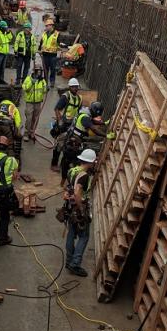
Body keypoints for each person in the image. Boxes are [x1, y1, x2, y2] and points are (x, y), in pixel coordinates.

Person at [62, 149, 96, 277]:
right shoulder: (84, 175)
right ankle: (75, 264)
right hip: (78, 209)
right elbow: (77, 192)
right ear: (90, 162)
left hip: (69, 208)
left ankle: (69, 261)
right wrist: (81, 208)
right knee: (84, 236)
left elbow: (67, 187)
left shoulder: (72, 170)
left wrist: (66, 195)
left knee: (71, 233)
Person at [59, 101, 109, 183]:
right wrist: (106, 135)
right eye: (96, 114)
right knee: (70, 163)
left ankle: (64, 181)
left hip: (72, 140)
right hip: (72, 144)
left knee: (67, 161)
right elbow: (94, 129)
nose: (97, 116)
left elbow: (92, 121)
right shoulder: (85, 117)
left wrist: (103, 123)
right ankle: (66, 182)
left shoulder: (84, 113)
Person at [50, 78, 83, 169]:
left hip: (72, 125)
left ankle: (63, 164)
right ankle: (54, 164)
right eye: (73, 87)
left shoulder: (79, 98)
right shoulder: (65, 97)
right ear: (69, 87)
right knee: (59, 144)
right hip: (63, 124)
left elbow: (79, 112)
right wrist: (59, 121)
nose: (75, 88)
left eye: (76, 87)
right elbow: (57, 109)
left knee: (69, 144)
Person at [21, 70, 47, 141]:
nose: (39, 73)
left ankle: (32, 132)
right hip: (30, 102)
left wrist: (46, 87)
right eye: (38, 71)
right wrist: (31, 82)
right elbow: (25, 88)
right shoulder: (28, 79)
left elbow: (44, 90)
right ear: (34, 72)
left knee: (35, 118)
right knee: (29, 118)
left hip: (38, 102)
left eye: (40, 72)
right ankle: (26, 133)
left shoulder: (42, 80)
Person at [39, 20, 60, 86]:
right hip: (45, 54)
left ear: (51, 26)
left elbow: (59, 44)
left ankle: (52, 81)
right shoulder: (44, 34)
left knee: (53, 69)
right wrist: (39, 50)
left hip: (53, 55)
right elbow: (41, 43)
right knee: (45, 69)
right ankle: (45, 81)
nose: (46, 27)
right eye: (46, 26)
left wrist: (60, 50)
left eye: (47, 26)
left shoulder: (57, 34)